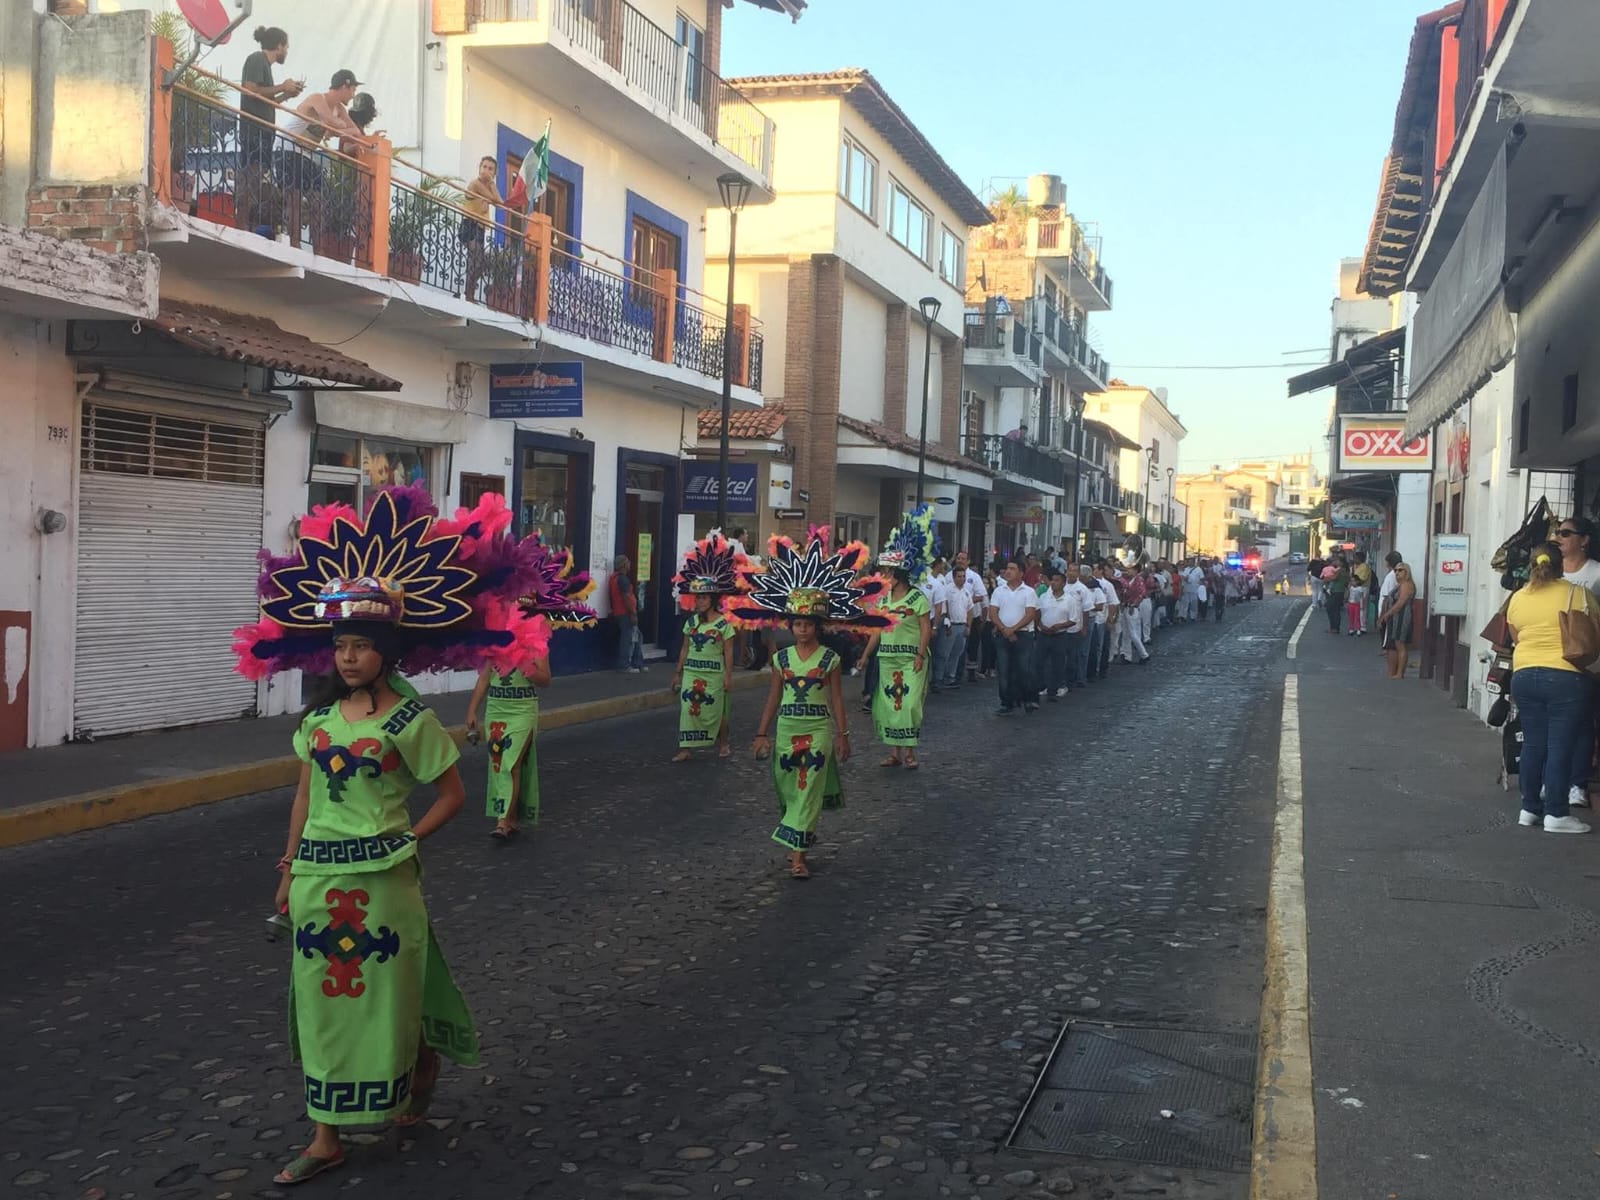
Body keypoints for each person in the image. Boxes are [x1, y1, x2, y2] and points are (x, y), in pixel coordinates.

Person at [236, 488, 549, 1184]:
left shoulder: (410, 723)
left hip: (383, 884)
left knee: (384, 1001)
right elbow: (305, 795)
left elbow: (452, 795)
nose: (349, 658)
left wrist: (407, 841)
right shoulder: (317, 723)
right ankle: (325, 1135)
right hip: (318, 879)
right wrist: (289, 868)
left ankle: (417, 1063)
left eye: (361, 646)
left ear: (386, 652)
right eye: (341, 646)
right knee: (320, 1003)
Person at [730, 532, 888, 879]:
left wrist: (843, 736)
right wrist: (761, 733)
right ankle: (801, 832)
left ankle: (797, 856)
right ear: (791, 625)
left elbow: (836, 700)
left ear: (818, 626)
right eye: (797, 624)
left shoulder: (830, 659)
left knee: (807, 787)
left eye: (807, 625)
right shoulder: (781, 659)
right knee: (788, 788)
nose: (802, 630)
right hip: (787, 730)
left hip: (817, 731)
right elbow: (773, 697)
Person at [465, 536, 595, 838]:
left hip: (522, 709)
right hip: (496, 708)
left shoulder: (538, 639)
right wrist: (471, 711)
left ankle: (502, 822)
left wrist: (525, 663)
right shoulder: (497, 635)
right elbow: (484, 676)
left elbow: (545, 680)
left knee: (511, 763)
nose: (518, 612)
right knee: (499, 763)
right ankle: (510, 818)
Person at [1506, 542, 1595, 833]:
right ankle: (1556, 813)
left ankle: (1529, 809)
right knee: (1560, 746)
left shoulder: (1518, 598)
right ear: (1561, 565)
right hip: (1565, 677)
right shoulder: (1575, 593)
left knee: (1533, 743)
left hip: (1523, 675)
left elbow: (1516, 636)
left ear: (1531, 565)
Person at [865, 509, 935, 767]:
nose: (883, 576)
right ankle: (894, 752)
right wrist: (865, 655)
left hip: (911, 659)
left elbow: (926, 628)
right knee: (889, 704)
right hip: (887, 659)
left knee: (909, 704)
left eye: (887, 572)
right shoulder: (882, 600)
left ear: (899, 575)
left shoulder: (917, 598)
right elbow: (877, 630)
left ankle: (910, 752)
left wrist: (920, 654)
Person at [668, 534, 743, 763]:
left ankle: (723, 743)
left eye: (703, 598)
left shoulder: (724, 624)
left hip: (714, 675)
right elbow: (684, 648)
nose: (699, 602)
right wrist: (677, 673)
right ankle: (685, 748)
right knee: (687, 710)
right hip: (692, 672)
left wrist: (728, 677)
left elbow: (728, 652)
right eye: (697, 598)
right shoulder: (691, 622)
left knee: (718, 710)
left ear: (712, 599)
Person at [278, 69, 369, 249]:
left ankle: (318, 249)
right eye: (352, 90)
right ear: (344, 86)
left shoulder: (339, 109)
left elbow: (356, 132)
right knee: (294, 197)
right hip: (286, 147)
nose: (353, 95)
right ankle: (295, 245)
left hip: (306, 153)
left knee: (318, 199)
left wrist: (336, 129)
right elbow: (330, 121)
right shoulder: (317, 98)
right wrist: (335, 128)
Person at [238, 26, 302, 232]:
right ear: (279, 46)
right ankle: (241, 224)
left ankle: (246, 224)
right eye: (287, 47)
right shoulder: (257, 59)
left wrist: (287, 95)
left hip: (263, 132)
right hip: (254, 130)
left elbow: (267, 101)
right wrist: (283, 86)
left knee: (257, 177)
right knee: (251, 175)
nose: (287, 51)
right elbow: (250, 90)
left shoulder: (265, 65)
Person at [1557, 517, 1600, 808]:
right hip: (1551, 657)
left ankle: (1577, 784)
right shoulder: (1551, 571)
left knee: (1583, 723)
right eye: (1557, 532)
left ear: (1584, 540)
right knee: (1554, 725)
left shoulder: (1596, 573)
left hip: (1586, 659)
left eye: (1566, 533)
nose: (1558, 537)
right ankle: (1552, 780)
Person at [988, 558, 1040, 714]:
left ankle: (1028, 699)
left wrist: (1013, 629)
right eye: (1007, 568)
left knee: (1024, 668)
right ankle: (1006, 702)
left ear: (1021, 573)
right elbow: (993, 612)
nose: (1008, 571)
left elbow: (1030, 614)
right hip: (1002, 634)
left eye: (1012, 569)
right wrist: (1004, 629)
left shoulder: (1029, 592)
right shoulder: (999, 591)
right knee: (1004, 670)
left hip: (1023, 635)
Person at [461, 155, 505, 302]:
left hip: (479, 228)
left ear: (494, 173)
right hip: (468, 225)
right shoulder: (475, 184)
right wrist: (491, 184)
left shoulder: (488, 187)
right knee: (477, 259)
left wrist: (491, 185)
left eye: (490, 169)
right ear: (479, 168)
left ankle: (469, 293)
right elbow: (496, 200)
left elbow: (500, 203)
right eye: (484, 167)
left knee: (478, 263)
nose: (486, 170)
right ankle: (468, 294)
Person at [1037, 565, 1083, 699]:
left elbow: (1074, 619)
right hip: (1043, 633)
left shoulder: (1070, 600)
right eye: (1052, 580)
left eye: (1057, 580)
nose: (1053, 583)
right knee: (1040, 661)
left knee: (1058, 662)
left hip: (1059, 635)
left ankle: (1057, 687)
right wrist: (1040, 625)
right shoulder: (1044, 597)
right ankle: (1043, 685)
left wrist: (1059, 626)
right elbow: (1037, 612)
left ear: (1063, 583)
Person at [1376, 561, 1415, 679]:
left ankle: (1399, 673)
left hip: (1402, 617)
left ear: (1407, 572)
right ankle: (1395, 672)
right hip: (1394, 618)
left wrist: (1387, 614)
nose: (1397, 573)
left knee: (1400, 644)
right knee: (1394, 644)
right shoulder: (1399, 585)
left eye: (1400, 570)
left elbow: (1401, 602)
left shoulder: (1407, 585)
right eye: (1396, 570)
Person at [1067, 562, 1100, 687]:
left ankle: (1080, 678)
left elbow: (1087, 609)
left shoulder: (1082, 589)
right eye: (1070, 570)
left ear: (1078, 574)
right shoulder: (1062, 586)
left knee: (1081, 652)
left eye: (1075, 570)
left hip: (1078, 625)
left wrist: (1084, 627)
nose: (1072, 573)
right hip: (1063, 625)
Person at [610, 554, 645, 672]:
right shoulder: (623, 580)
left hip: (620, 612)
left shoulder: (614, 579)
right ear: (624, 565)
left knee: (636, 637)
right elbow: (626, 598)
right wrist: (633, 613)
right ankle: (625, 665)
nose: (630, 564)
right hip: (626, 613)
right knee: (628, 639)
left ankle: (638, 663)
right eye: (628, 562)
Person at [1347, 551, 1373, 636]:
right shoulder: (1356, 566)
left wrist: (1354, 583)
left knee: (1362, 607)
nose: (1354, 559)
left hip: (1362, 588)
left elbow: (1361, 579)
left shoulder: (1364, 566)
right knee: (1357, 607)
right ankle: (1357, 626)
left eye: (1355, 558)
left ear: (1360, 558)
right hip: (1356, 588)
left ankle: (1362, 627)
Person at [1323, 557, 1347, 634]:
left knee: (1331, 608)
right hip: (1339, 591)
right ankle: (1334, 627)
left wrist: (1326, 578)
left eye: (1337, 560)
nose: (1335, 562)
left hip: (1336, 591)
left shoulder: (1340, 570)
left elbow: (1334, 578)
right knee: (1335, 609)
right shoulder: (1344, 570)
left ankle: (1334, 627)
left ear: (1341, 562)